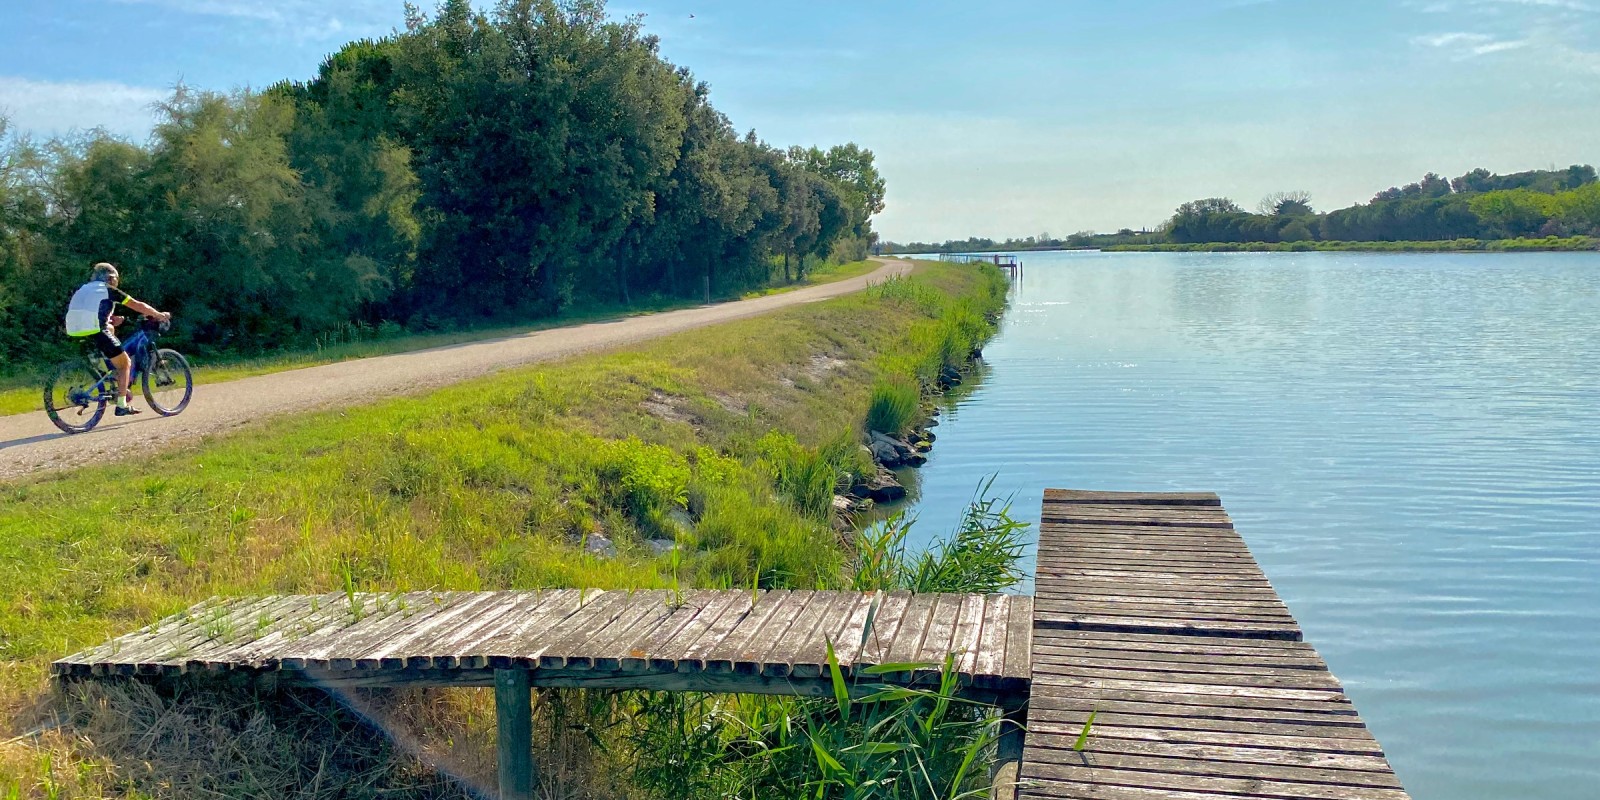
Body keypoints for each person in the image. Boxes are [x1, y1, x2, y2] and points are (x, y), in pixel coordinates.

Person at [63, 262, 172, 416]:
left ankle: (112, 377)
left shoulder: (84, 289)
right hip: (95, 330)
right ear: (110, 278)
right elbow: (136, 304)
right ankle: (122, 405)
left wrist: (111, 319)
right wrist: (158, 315)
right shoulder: (107, 289)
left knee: (111, 331)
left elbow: (88, 310)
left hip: (74, 331)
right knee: (125, 363)